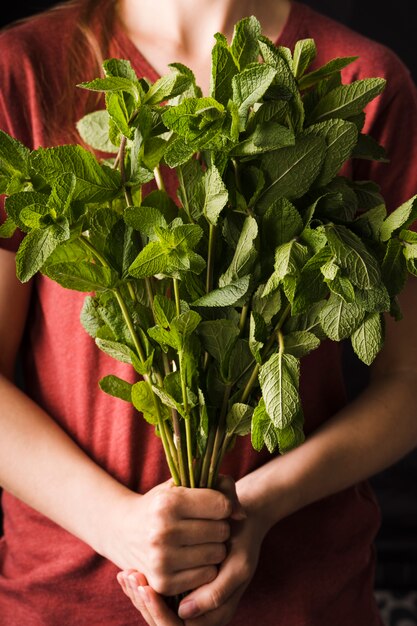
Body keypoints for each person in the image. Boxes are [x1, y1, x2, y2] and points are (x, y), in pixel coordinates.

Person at [1, 0, 417, 624]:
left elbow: (407, 383)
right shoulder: (25, 69)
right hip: (68, 598)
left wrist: (256, 507)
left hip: (301, 597)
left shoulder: (356, 80)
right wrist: (121, 526)